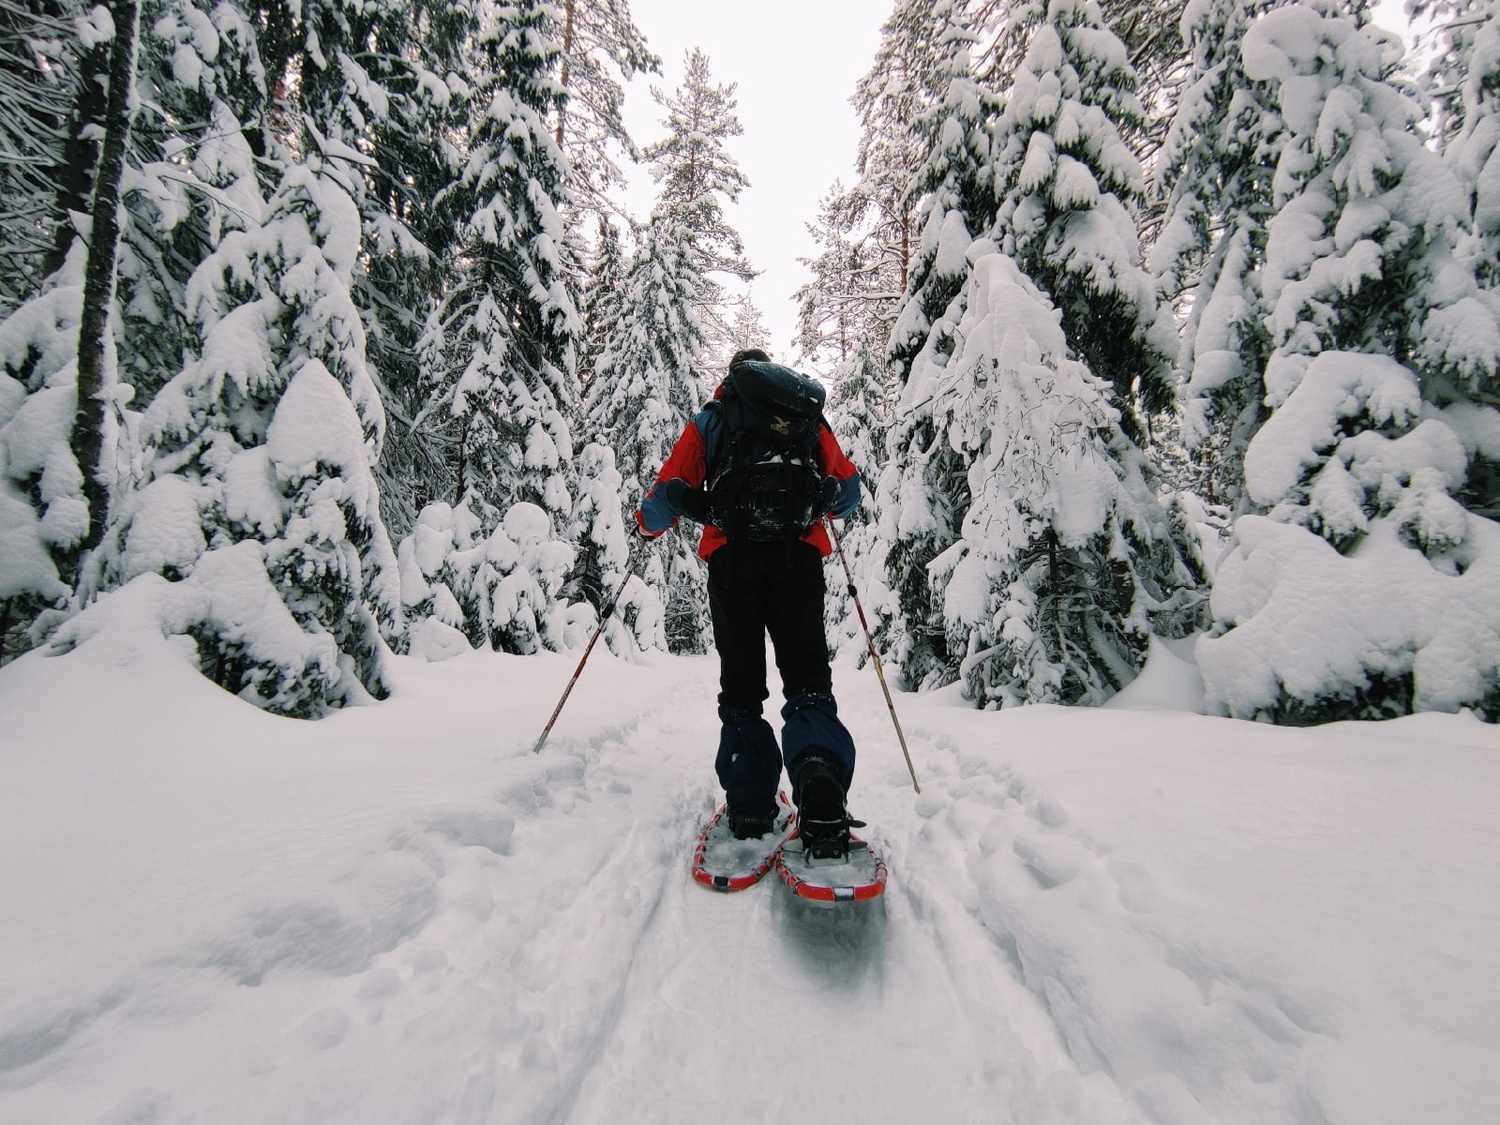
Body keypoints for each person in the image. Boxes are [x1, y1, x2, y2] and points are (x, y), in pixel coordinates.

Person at [634, 349, 863, 856]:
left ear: (731, 379)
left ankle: (751, 800)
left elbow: (669, 490)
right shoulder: (804, 417)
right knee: (807, 681)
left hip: (732, 563)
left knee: (742, 687)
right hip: (797, 561)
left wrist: (648, 525)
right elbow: (848, 492)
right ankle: (819, 779)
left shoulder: (714, 418)